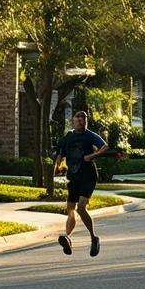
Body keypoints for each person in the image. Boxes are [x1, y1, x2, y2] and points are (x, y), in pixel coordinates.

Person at [54, 110, 108, 256]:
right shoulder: (68, 137)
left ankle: (94, 238)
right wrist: (58, 164)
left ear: (86, 122)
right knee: (70, 208)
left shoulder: (90, 135)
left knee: (81, 207)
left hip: (88, 175)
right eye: (77, 120)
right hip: (74, 175)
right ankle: (68, 238)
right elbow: (60, 153)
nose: (80, 122)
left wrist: (92, 156)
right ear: (73, 121)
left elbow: (105, 146)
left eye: (82, 120)